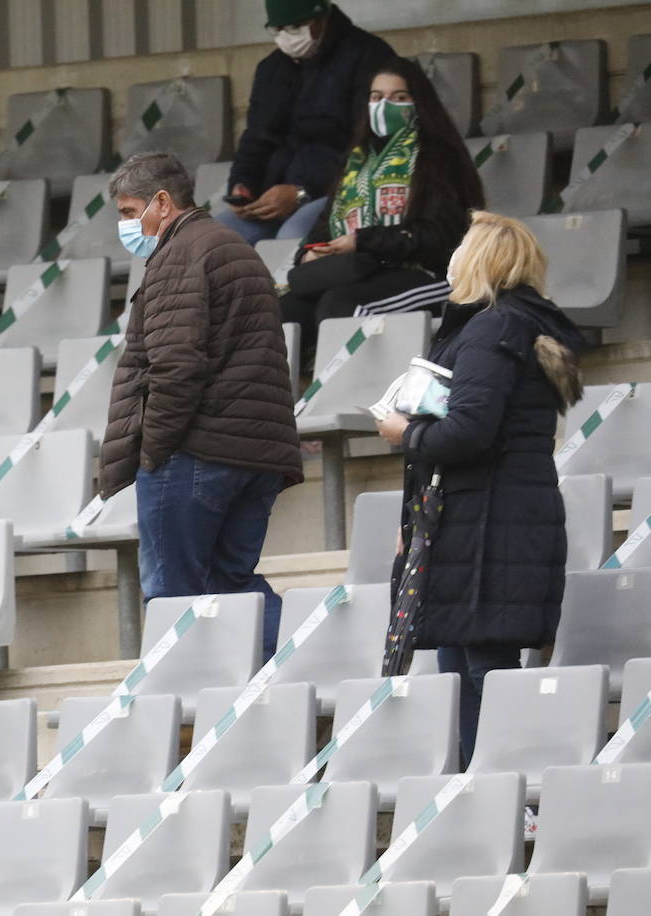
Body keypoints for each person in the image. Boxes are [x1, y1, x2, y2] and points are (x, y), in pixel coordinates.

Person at [376, 212, 583, 764]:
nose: (453, 256)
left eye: (462, 245)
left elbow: (468, 431)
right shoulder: (519, 324)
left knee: (482, 672)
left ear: (480, 259)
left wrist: (405, 431)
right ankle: (486, 793)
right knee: (467, 666)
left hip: (489, 524)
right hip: (483, 520)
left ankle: (509, 800)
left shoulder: (493, 327)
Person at [99, 152, 304, 663]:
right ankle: (309, 662)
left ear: (162, 203)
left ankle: (182, 715)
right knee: (231, 585)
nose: (125, 225)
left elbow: (175, 366)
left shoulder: (179, 255)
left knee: (174, 594)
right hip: (255, 451)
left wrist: (155, 451)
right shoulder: (232, 247)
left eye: (129, 212)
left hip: (197, 452)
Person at [280, 58, 486, 352]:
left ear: (418, 103)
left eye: (398, 98)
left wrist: (362, 241)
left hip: (429, 275)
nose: (384, 106)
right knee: (287, 308)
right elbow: (324, 225)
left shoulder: (436, 158)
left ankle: (358, 390)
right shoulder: (357, 161)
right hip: (360, 271)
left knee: (341, 304)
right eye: (376, 98)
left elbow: (441, 237)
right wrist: (310, 253)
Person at [219, 1, 395, 246]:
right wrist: (242, 184)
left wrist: (302, 191)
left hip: (341, 192)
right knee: (212, 240)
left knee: (291, 236)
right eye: (277, 29)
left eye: (294, 27)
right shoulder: (271, 69)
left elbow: (370, 142)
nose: (286, 37)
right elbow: (256, 139)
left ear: (321, 18)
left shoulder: (370, 57)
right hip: (273, 198)